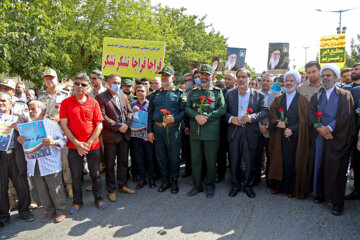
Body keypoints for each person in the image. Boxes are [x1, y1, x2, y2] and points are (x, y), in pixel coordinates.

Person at [307, 64, 356, 216]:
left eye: (329, 75)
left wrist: (330, 129)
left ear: (336, 77)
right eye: (323, 75)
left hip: (337, 138)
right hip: (320, 137)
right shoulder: (317, 95)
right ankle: (320, 194)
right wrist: (319, 128)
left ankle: (337, 203)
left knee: (336, 170)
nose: (325, 78)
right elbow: (312, 114)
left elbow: (346, 116)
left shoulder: (344, 95)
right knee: (319, 166)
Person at [59, 73, 107, 213]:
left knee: (95, 175)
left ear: (88, 87)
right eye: (77, 83)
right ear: (74, 85)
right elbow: (64, 125)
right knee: (76, 176)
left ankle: (98, 199)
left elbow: (99, 125)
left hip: (93, 146)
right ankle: (77, 202)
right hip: (74, 147)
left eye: (84, 84)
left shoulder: (94, 103)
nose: (80, 86)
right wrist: (77, 143)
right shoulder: (66, 103)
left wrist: (88, 142)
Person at [18, 101, 67, 223]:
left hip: (50, 162)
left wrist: (53, 142)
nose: (30, 111)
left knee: (55, 187)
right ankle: (49, 211)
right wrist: (21, 140)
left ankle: (61, 211)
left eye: (33, 109)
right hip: (34, 163)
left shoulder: (52, 125)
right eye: (29, 109)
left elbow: (62, 142)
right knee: (41, 190)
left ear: (42, 111)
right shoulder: (26, 127)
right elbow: (25, 144)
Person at [225, 68, 268, 198]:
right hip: (235, 131)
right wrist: (231, 119)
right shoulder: (229, 94)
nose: (241, 79)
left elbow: (265, 111)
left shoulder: (258, 95)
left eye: (244, 77)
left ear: (249, 79)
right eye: (239, 77)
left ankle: (248, 186)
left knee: (250, 160)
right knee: (234, 159)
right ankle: (235, 185)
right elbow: (223, 112)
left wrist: (252, 118)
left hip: (250, 131)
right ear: (236, 79)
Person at [185, 64, 225, 198]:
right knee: (196, 160)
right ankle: (197, 186)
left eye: (207, 74)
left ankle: (210, 186)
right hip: (196, 132)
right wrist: (196, 116)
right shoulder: (193, 92)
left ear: (212, 76)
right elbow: (187, 107)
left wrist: (208, 116)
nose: (204, 77)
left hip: (211, 133)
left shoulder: (217, 92)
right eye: (202, 74)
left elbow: (222, 108)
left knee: (211, 161)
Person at [267, 71, 309, 198]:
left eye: (292, 81)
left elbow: (305, 120)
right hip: (278, 137)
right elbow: (272, 114)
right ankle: (277, 186)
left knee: (290, 162)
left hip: (294, 138)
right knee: (277, 159)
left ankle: (290, 188)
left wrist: (293, 129)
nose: (289, 83)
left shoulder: (302, 100)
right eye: (287, 81)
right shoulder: (278, 98)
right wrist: (277, 122)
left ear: (297, 83)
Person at [96, 74, 135, 202]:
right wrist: (118, 126)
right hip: (111, 136)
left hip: (124, 135)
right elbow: (103, 117)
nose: (117, 85)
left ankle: (122, 185)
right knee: (110, 164)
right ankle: (111, 190)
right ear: (108, 83)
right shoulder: (101, 97)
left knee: (123, 162)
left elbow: (130, 112)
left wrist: (126, 125)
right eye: (115, 82)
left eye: (119, 83)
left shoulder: (123, 96)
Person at [147, 66, 186, 194]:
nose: (164, 77)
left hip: (173, 129)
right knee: (161, 156)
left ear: (173, 78)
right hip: (158, 129)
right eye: (162, 75)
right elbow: (149, 114)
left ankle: (174, 180)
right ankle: (165, 181)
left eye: (167, 75)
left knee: (174, 156)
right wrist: (149, 131)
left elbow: (184, 112)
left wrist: (174, 118)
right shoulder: (155, 94)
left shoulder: (179, 93)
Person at [0, 92, 34, 228]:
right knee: (1, 188)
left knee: (22, 185)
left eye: (3, 100)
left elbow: (31, 135)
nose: (1, 103)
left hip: (16, 155)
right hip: (1, 156)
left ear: (10, 103)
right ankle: (3, 216)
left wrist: (19, 129)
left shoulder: (20, 117)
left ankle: (25, 211)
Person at [38, 69, 73, 198]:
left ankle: (69, 187)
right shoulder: (40, 96)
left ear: (57, 79)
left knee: (65, 163)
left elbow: (71, 113)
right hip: (47, 135)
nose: (49, 80)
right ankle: (56, 190)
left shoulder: (65, 95)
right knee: (51, 163)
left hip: (62, 133)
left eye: (51, 78)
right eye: (46, 78)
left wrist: (60, 119)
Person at [256, 74, 280, 186]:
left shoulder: (277, 95)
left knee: (270, 155)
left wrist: (268, 127)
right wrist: (259, 126)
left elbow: (278, 114)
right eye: (263, 80)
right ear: (260, 82)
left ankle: (270, 179)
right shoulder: (254, 94)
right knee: (256, 154)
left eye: (268, 81)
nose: (265, 82)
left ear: (271, 83)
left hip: (270, 131)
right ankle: (255, 178)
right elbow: (251, 112)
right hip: (256, 130)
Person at [131, 85, 156, 189]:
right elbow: (128, 120)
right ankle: (142, 179)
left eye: (142, 91)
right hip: (136, 137)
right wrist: (132, 112)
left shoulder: (151, 105)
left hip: (148, 136)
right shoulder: (131, 105)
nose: (140, 93)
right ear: (135, 92)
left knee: (150, 159)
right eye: (138, 91)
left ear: (146, 92)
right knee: (139, 159)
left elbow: (153, 121)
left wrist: (150, 133)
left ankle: (151, 179)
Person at [344, 62, 360, 200]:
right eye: (353, 68)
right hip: (347, 132)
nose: (353, 70)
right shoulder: (345, 88)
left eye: (357, 69)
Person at [216, 73, 236, 183]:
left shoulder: (238, 93)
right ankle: (220, 174)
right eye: (226, 79)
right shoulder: (221, 93)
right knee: (221, 153)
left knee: (233, 153)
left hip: (234, 127)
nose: (227, 81)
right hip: (222, 128)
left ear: (234, 80)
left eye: (229, 79)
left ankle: (233, 175)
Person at [181, 73, 194, 178]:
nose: (188, 82)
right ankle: (188, 169)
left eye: (190, 80)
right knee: (186, 149)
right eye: (186, 80)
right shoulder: (182, 94)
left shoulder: (196, 93)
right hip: (185, 126)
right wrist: (185, 126)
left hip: (196, 124)